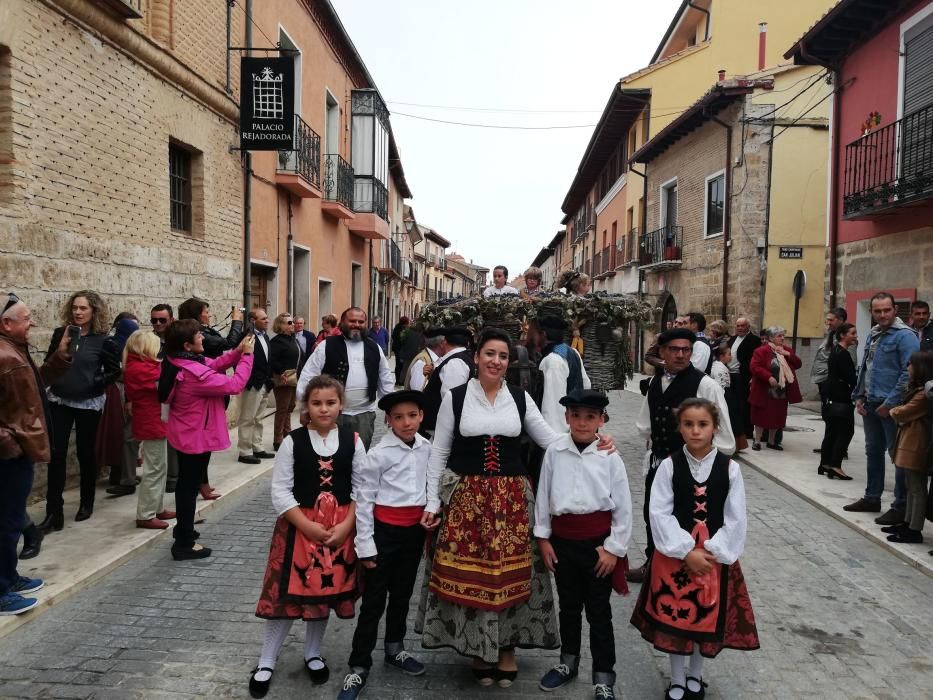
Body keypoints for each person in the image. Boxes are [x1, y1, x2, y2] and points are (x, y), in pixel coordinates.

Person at [416, 328, 615, 685]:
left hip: (512, 502)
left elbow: (552, 440)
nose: (496, 361)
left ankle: (507, 649)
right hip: (467, 501)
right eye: (490, 354)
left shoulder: (520, 398)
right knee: (473, 576)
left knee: (512, 576)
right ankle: (479, 646)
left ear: (510, 363)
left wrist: (592, 437)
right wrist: (432, 500)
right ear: (476, 357)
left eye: (503, 356)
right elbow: (439, 451)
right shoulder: (456, 397)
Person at [630, 398, 759, 700]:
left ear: (715, 428)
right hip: (675, 556)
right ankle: (676, 678)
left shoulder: (730, 470)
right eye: (688, 424)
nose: (696, 430)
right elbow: (658, 512)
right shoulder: (668, 466)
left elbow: (736, 517)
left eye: (703, 424)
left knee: (704, 616)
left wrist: (715, 551)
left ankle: (695, 675)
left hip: (714, 557)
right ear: (680, 427)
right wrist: (685, 550)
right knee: (675, 619)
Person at [250, 376, 364, 698]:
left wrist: (345, 527)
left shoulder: (353, 441)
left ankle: (313, 653)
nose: (324, 409)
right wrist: (307, 526)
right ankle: (266, 660)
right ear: (307, 406)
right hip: (298, 528)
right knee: (284, 597)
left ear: (341, 405)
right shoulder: (293, 441)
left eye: (330, 402)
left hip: (337, 530)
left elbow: (362, 489)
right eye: (317, 403)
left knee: (322, 594)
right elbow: (280, 492)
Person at [535, 390, 631, 700]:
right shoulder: (554, 452)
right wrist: (544, 539)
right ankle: (568, 662)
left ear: (601, 420)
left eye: (590, 417)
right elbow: (544, 496)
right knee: (569, 607)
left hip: (597, 548)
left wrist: (614, 549)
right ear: (566, 418)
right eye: (575, 415)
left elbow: (623, 507)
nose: (582, 422)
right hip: (563, 543)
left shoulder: (609, 456)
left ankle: (603, 676)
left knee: (599, 612)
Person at [338, 390, 431, 700]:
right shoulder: (378, 455)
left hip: (413, 533)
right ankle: (359, 663)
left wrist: (433, 510)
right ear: (389, 421)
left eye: (412, 415)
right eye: (399, 417)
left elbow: (431, 485)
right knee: (374, 599)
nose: (407, 423)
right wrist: (365, 545)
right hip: (384, 534)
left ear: (421, 416)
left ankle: (395, 647)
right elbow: (363, 501)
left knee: (403, 593)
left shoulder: (426, 448)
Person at [629, 328, 734, 584]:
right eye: (674, 349)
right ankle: (653, 563)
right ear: (662, 352)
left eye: (685, 349)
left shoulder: (705, 384)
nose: (680, 354)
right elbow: (646, 423)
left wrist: (705, 464)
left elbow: (725, 437)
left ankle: (687, 568)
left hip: (691, 466)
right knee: (653, 513)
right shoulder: (656, 382)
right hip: (658, 462)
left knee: (687, 517)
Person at [0, 292, 71, 615]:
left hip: (18, 452)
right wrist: (9, 443)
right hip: (9, 457)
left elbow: (33, 388)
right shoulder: (4, 356)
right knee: (7, 523)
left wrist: (57, 360)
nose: (32, 323)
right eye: (27, 318)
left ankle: (9, 577)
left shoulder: (14, 351)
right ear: (6, 323)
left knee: (12, 520)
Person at [159, 319, 254, 560]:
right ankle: (183, 544)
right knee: (188, 488)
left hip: (189, 432)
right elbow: (235, 384)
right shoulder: (193, 374)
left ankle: (184, 529)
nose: (203, 338)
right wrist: (248, 357)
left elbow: (216, 363)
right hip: (194, 435)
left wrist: (238, 351)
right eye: (198, 335)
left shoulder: (184, 360)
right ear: (187, 345)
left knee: (187, 485)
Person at [40, 290, 121, 531]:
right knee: (56, 455)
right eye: (75, 307)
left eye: (83, 308)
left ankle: (86, 502)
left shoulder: (104, 340)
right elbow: (49, 364)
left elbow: (114, 370)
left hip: (88, 403)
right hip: (59, 400)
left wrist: (94, 383)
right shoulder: (60, 334)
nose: (77, 312)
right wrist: (61, 349)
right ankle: (54, 512)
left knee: (86, 453)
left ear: (93, 311)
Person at [844, 292, 919, 522]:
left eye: (887, 310)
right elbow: (866, 368)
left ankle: (900, 506)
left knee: (898, 456)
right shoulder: (874, 334)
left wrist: (890, 404)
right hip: (870, 403)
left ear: (895, 310)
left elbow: (908, 374)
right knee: (872, 451)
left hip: (892, 407)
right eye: (877, 311)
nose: (882, 314)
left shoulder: (905, 337)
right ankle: (872, 497)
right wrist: (859, 395)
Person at [297, 307, 395, 450]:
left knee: (359, 458)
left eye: (361, 321)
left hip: (364, 415)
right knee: (329, 457)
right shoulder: (327, 345)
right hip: (331, 414)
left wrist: (390, 407)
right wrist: (305, 408)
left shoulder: (374, 347)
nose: (357, 324)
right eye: (352, 321)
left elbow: (385, 378)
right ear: (342, 323)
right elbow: (308, 376)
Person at [178, 297, 245, 498]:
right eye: (206, 310)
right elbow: (228, 344)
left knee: (206, 440)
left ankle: (201, 481)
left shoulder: (203, 336)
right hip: (206, 388)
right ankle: (199, 482)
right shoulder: (196, 338)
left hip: (213, 385)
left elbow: (223, 355)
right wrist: (236, 322)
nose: (209, 314)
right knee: (201, 442)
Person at [123, 330, 175, 529]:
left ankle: (157, 507)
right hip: (150, 421)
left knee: (160, 467)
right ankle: (145, 514)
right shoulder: (139, 368)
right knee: (154, 469)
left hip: (155, 420)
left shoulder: (143, 364)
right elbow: (164, 378)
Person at [884, 351, 933, 544]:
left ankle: (914, 528)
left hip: (918, 443)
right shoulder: (918, 389)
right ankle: (907, 522)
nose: (908, 368)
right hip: (909, 440)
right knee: (910, 485)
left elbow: (902, 412)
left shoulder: (923, 394)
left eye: (910, 364)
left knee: (917, 487)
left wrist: (893, 410)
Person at [101, 313, 141, 498]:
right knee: (123, 436)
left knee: (127, 436)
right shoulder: (114, 345)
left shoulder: (130, 347)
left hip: (127, 395)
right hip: (119, 394)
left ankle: (126, 477)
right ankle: (123, 477)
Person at [748, 326, 802, 451]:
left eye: (783, 335)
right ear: (771, 338)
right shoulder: (761, 351)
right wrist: (768, 377)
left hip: (780, 390)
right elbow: (754, 367)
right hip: (764, 390)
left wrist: (788, 355)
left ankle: (772, 442)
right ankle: (757, 441)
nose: (782, 338)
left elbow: (798, 364)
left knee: (777, 417)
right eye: (779, 336)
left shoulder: (786, 350)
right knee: (760, 417)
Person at [537, 315, 591, 434]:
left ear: (544, 335)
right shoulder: (573, 352)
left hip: (559, 434)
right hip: (571, 426)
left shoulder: (553, 361)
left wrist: (554, 441)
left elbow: (553, 406)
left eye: (537, 334)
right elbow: (586, 385)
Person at [818, 324, 858, 480]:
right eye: (852, 333)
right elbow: (851, 377)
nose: (856, 336)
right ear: (842, 335)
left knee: (832, 431)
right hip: (840, 396)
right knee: (845, 431)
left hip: (831, 394)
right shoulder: (843, 354)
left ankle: (825, 463)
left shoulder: (835, 350)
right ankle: (835, 465)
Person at [237, 307, 275, 467]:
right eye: (263, 318)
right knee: (247, 418)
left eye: (267, 318)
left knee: (259, 418)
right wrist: (249, 380)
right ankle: (244, 451)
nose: (267, 320)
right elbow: (241, 359)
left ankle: (257, 446)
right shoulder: (247, 337)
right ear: (253, 321)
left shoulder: (265, 336)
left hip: (264, 383)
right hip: (252, 384)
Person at [419, 326, 474, 434]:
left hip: (438, 429)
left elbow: (450, 400)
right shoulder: (459, 359)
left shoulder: (455, 362)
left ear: (444, 342)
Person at [150, 303, 179, 493]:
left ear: (172, 320)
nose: (158, 324)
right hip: (152, 394)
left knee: (173, 435)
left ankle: (174, 476)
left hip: (174, 393)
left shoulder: (178, 340)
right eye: (154, 320)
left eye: (162, 320)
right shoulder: (148, 340)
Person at [269, 312, 301, 452]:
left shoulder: (292, 339)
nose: (292, 324)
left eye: (292, 322)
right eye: (289, 323)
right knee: (283, 408)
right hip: (284, 378)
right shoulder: (277, 341)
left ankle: (287, 434)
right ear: (280, 326)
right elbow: (272, 359)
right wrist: (281, 372)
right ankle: (278, 439)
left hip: (294, 377)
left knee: (290, 406)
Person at [726, 317, 761, 443]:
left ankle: (747, 431)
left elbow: (754, 359)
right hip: (730, 374)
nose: (740, 328)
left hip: (743, 376)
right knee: (732, 403)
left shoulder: (754, 340)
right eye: (738, 326)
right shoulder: (732, 339)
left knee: (744, 404)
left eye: (742, 326)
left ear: (748, 327)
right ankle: (736, 429)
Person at [390, 316, 411, 385]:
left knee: (398, 365)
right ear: (405, 323)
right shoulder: (404, 329)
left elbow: (393, 336)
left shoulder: (396, 327)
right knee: (402, 366)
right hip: (402, 350)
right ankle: (401, 381)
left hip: (397, 350)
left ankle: (397, 380)